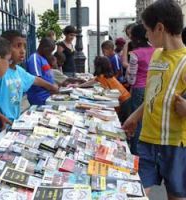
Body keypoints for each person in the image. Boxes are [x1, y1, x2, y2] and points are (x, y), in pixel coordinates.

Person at [122, 0, 186, 199]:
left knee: (176, 194)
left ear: (160, 28)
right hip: (147, 141)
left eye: (148, 30)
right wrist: (134, 116)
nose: (146, 35)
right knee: (136, 192)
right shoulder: (157, 55)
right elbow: (152, 95)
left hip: (174, 144)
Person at [0, 30, 58, 122]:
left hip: (13, 122)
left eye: (24, 47)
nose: (23, 51)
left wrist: (52, 87)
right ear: (5, 48)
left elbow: (34, 79)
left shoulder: (19, 71)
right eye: (18, 46)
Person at [127, 23, 155, 154]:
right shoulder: (156, 51)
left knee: (136, 122)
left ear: (135, 38)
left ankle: (135, 151)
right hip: (152, 89)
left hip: (138, 89)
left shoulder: (135, 54)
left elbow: (131, 78)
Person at [78, 56, 131, 124]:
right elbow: (92, 81)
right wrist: (79, 86)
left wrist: (79, 86)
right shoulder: (105, 76)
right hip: (126, 98)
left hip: (123, 100)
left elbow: (107, 94)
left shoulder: (102, 77)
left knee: (122, 122)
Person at [26, 37, 58, 105]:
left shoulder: (44, 58)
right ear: (44, 48)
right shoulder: (34, 58)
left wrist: (54, 84)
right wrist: (51, 87)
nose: (50, 53)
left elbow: (48, 76)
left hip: (47, 95)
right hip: (39, 96)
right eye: (50, 51)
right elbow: (36, 79)